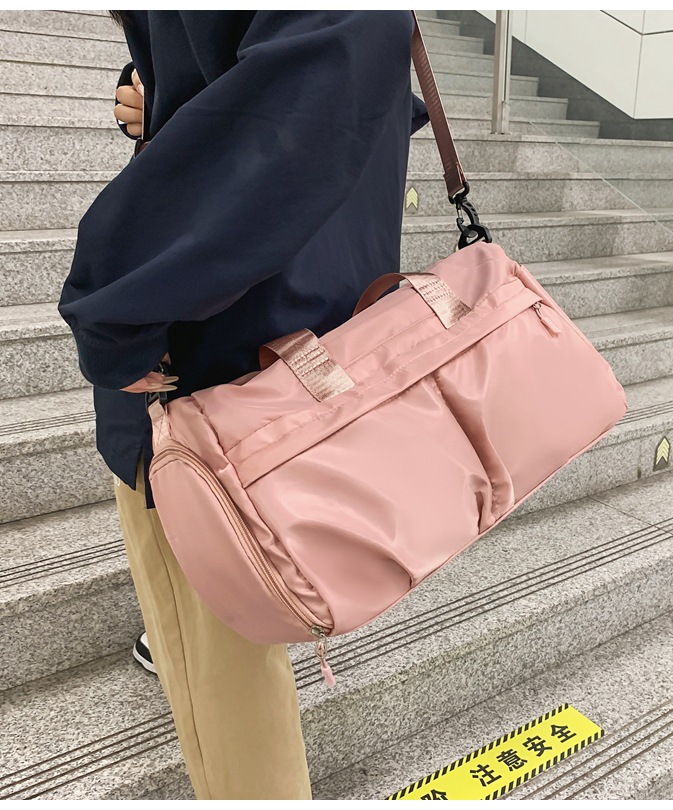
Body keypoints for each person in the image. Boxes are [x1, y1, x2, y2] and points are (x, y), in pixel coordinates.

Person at [57, 10, 429, 800]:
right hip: (266, 331)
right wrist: (166, 95)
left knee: (224, 660)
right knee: (215, 626)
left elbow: (306, 103)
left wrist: (114, 306)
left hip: (218, 354)